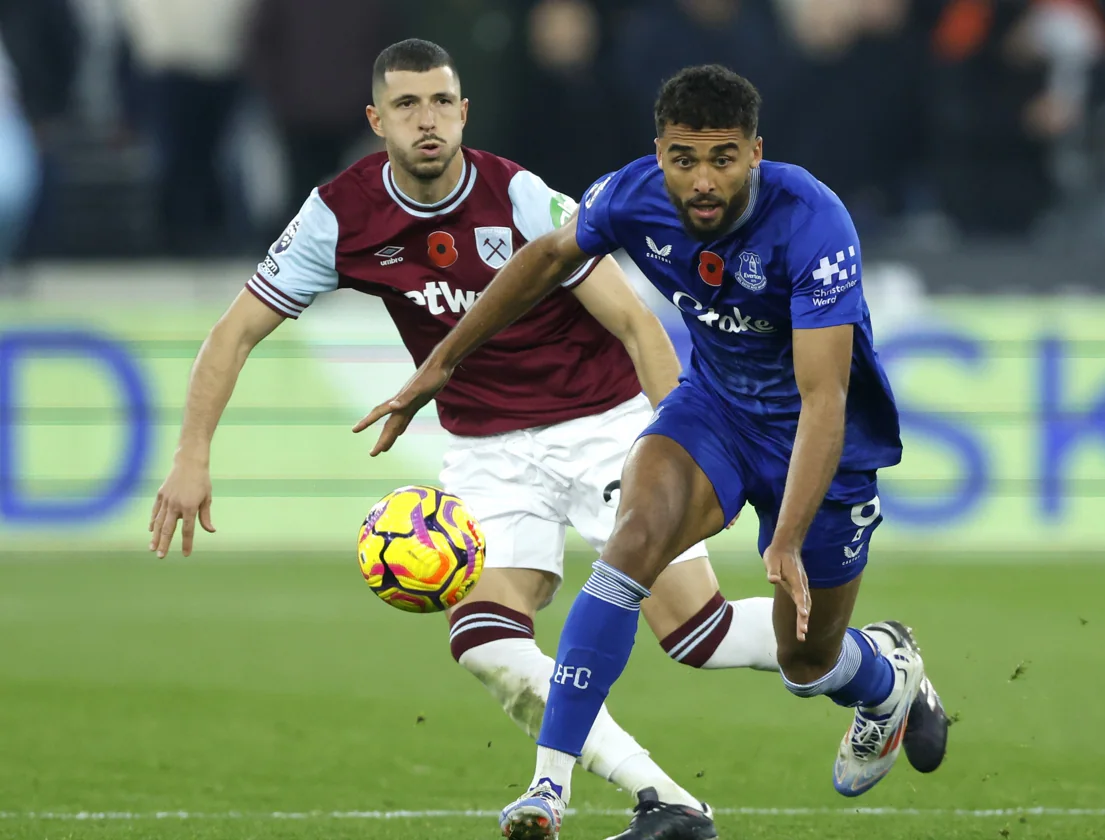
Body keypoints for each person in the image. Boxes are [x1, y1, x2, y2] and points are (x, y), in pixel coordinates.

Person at [147, 40, 784, 835]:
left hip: (605, 425)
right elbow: (235, 331)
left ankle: (875, 663)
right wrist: (191, 456)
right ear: (377, 119)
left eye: (442, 103)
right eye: (408, 105)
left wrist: (679, 446)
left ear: (463, 113)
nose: (428, 120)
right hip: (488, 449)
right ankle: (662, 799)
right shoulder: (339, 215)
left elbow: (635, 324)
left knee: (698, 634)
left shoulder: (518, 196)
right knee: (485, 641)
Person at [356, 64, 950, 840]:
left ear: (755, 153)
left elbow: (825, 399)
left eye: (723, 158)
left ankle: (885, 671)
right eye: (683, 158)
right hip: (715, 412)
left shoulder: (812, 220)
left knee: (806, 663)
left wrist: (790, 535)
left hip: (821, 444)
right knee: (628, 547)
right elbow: (542, 260)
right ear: (660, 151)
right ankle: (547, 789)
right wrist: (442, 363)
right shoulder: (631, 193)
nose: (702, 181)